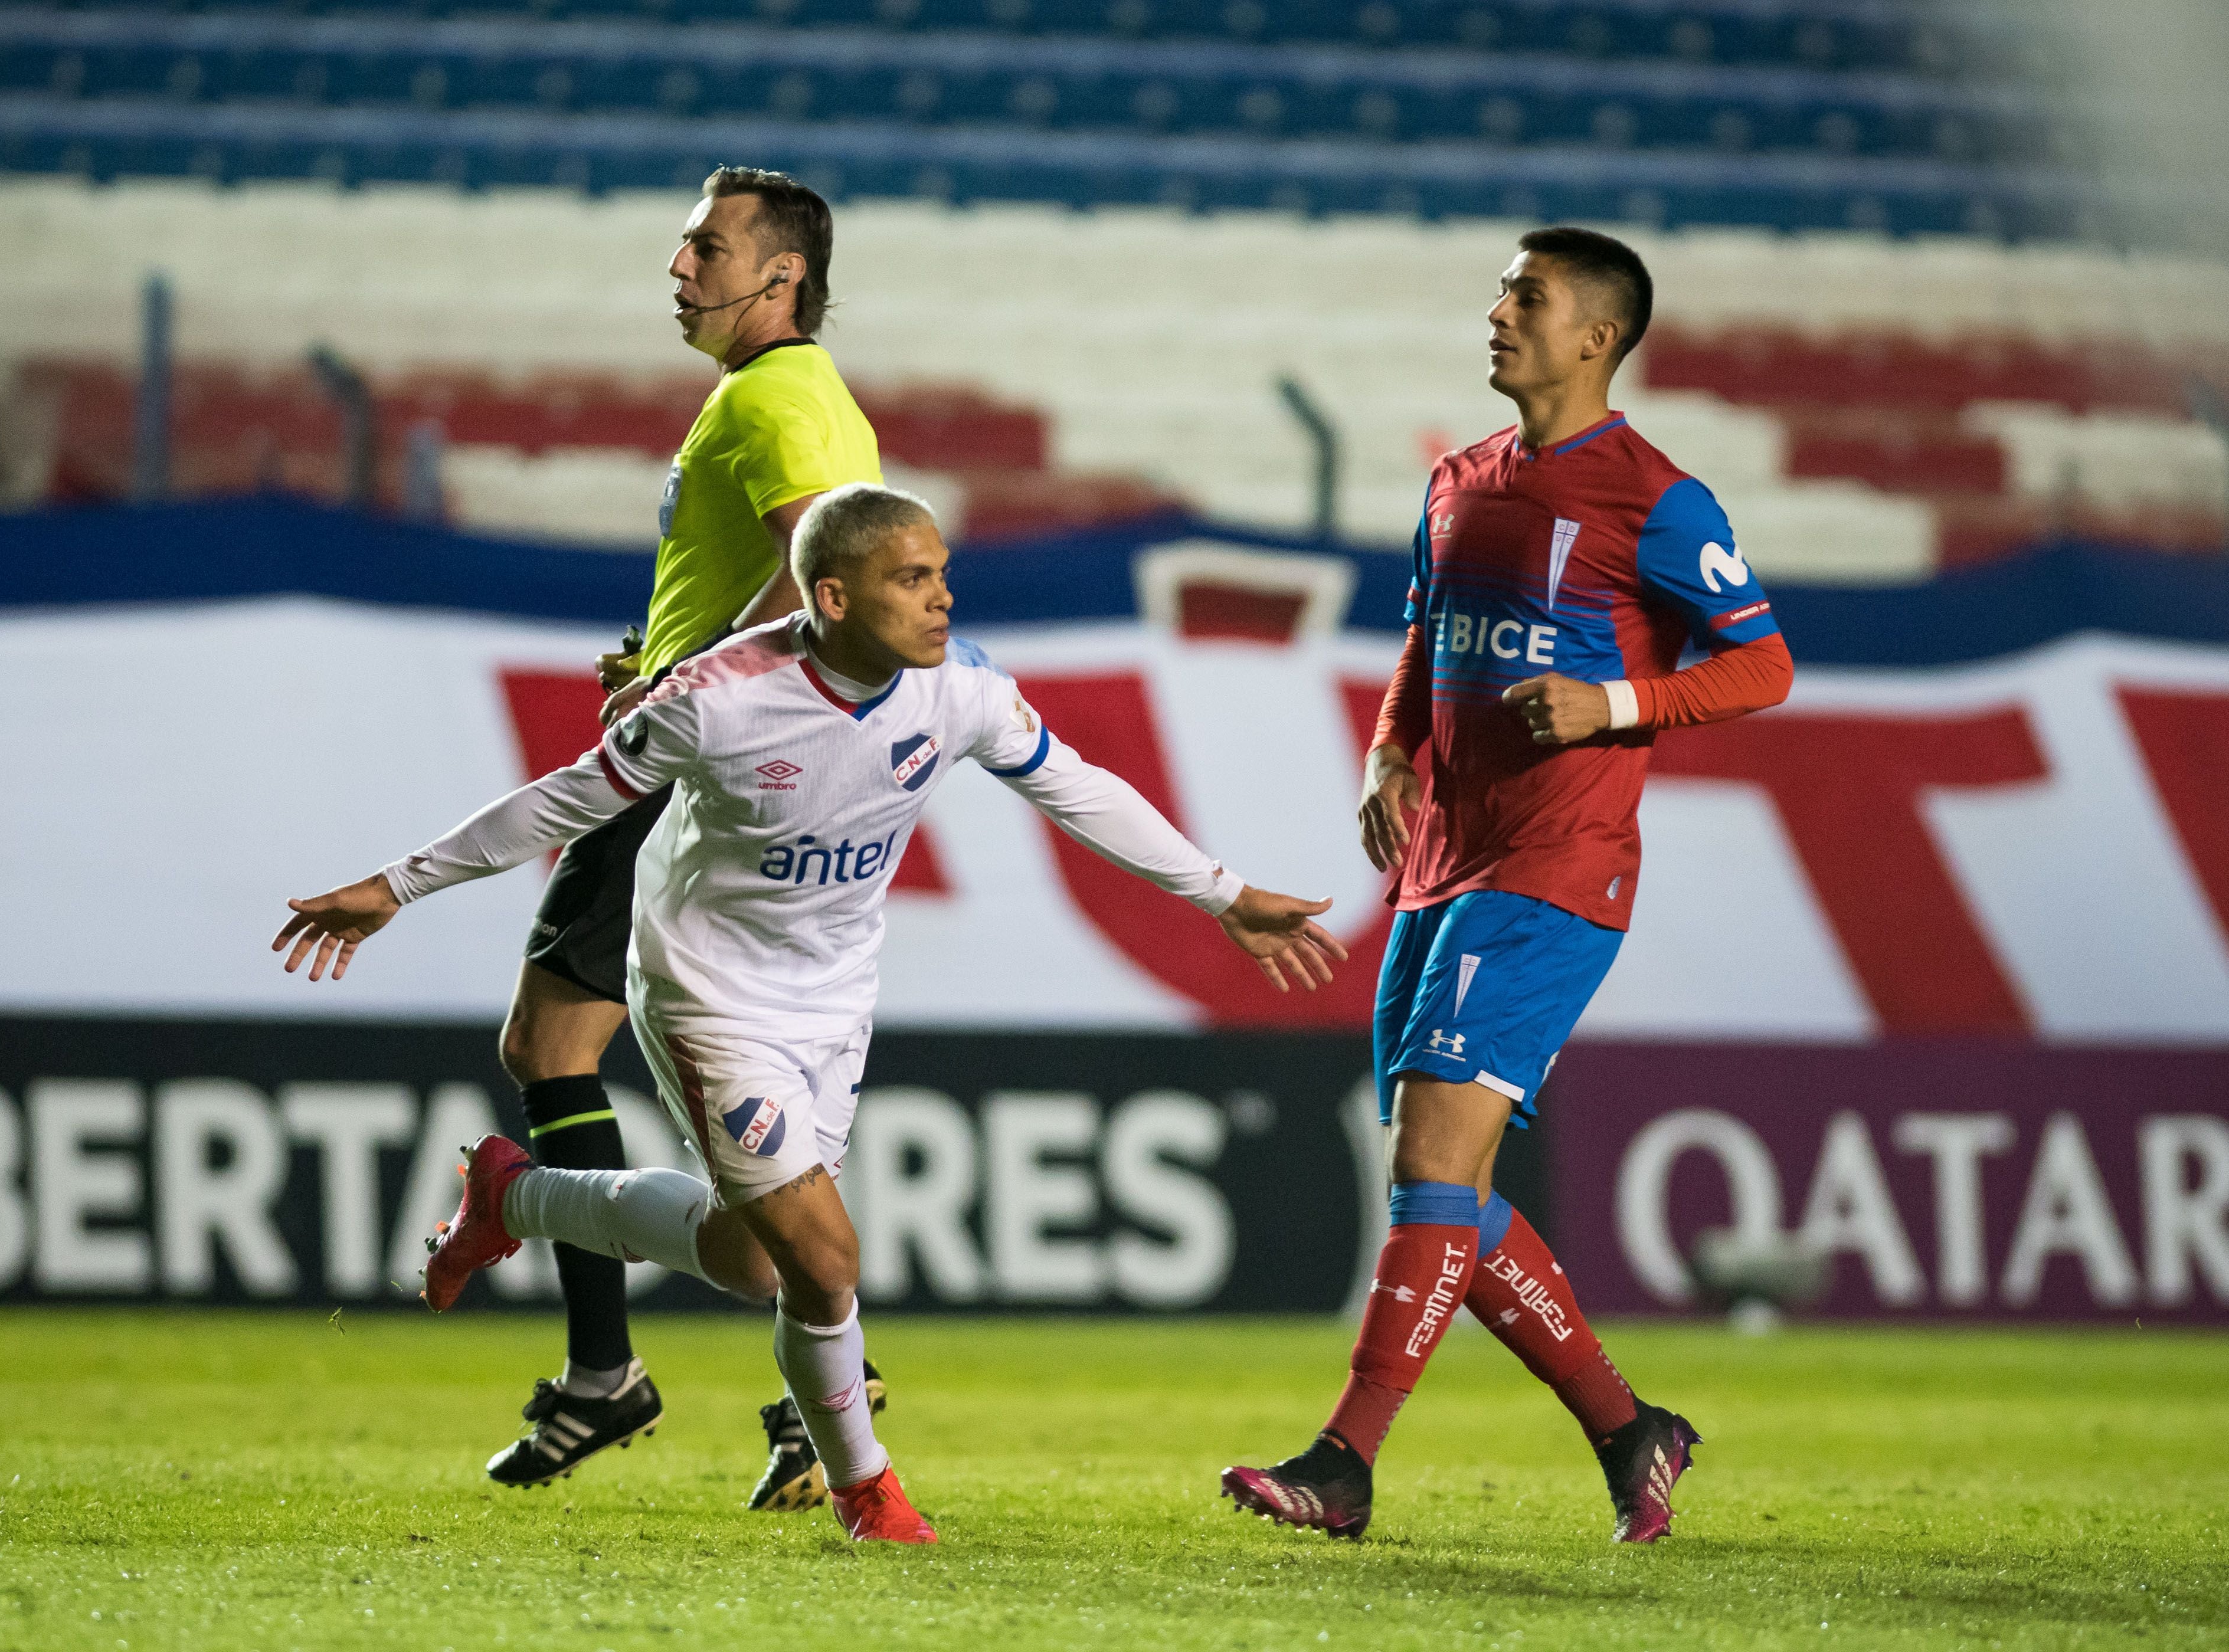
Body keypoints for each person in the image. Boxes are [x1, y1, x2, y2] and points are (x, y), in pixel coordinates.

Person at [274, 483, 1350, 1545]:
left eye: (942, 575)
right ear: (832, 597)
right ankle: (866, 1492)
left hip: (835, 999)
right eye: (912, 578)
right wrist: (396, 886)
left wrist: (1223, 894)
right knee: (828, 1262)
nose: (942, 601)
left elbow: (1075, 783)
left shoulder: (959, 689)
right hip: (711, 997)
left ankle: (515, 1198)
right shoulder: (718, 698)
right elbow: (563, 797)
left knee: (753, 1264)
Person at [1220, 227, 1794, 1545]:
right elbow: (1431, 634)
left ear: (1596, 335)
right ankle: (1628, 1426)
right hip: (1440, 865)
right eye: (1501, 291)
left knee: (1432, 1162)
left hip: (1553, 865)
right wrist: (1387, 746)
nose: (1497, 312)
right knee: (1451, 1195)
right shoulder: (1457, 478)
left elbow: (1762, 664)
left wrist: (1615, 700)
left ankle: (1346, 1461)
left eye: (1525, 296)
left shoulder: (1659, 497)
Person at [480, 165, 885, 1502]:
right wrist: (670, 653)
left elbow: (815, 572)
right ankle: (788, 1387)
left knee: (560, 1045)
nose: (679, 265)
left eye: (707, 246)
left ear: (781, 278)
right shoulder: (785, 394)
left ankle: (634, 1376)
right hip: (721, 746)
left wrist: (693, 681)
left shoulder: (776, 397)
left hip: (695, 768)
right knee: (606, 1052)